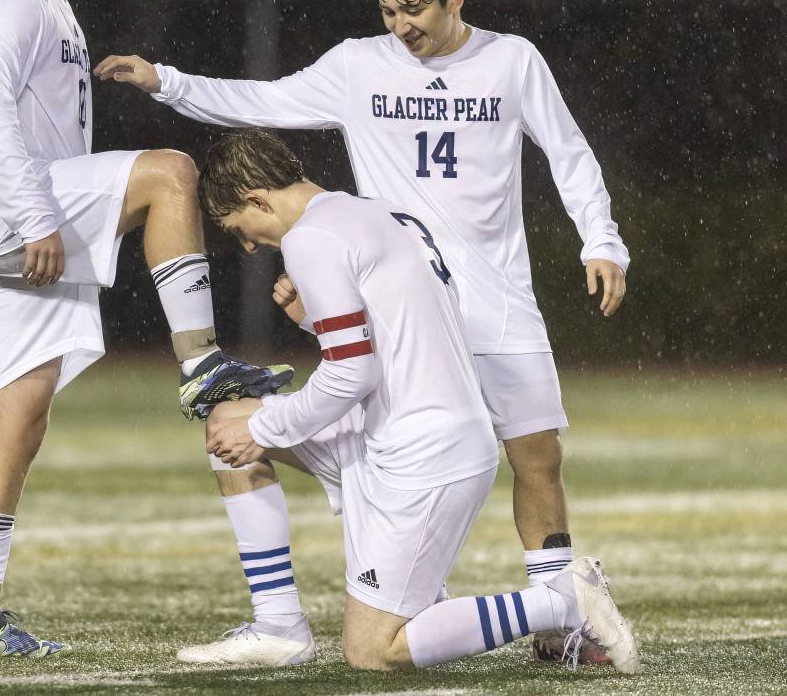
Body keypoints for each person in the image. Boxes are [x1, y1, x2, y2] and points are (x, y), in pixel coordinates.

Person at [94, 0, 629, 664]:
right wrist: (170, 82)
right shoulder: (359, 65)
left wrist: (601, 239)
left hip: (494, 296)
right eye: (387, 12)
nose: (400, 27)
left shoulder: (511, 60)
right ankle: (386, 601)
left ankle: (559, 619)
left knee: (537, 457)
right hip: (401, 297)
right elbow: (265, 100)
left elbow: (567, 150)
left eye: (414, 12)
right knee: (384, 444)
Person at [0, 0, 292, 660]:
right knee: (171, 173)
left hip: (22, 220)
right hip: (12, 214)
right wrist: (33, 219)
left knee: (18, 419)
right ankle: (203, 363)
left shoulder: (55, 5)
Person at [192, 130, 638, 673]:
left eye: (241, 228)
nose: (249, 244)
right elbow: (405, 334)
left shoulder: (312, 239)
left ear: (258, 198)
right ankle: (279, 626)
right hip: (409, 430)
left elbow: (352, 372)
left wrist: (266, 429)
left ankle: (563, 600)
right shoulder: (379, 214)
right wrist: (310, 321)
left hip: (422, 455)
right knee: (225, 421)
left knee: (373, 650)